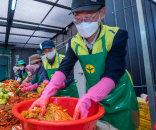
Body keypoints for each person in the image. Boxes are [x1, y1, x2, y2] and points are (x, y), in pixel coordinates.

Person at [29, 0, 139, 130]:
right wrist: (47, 92)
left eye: (89, 17)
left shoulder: (116, 36)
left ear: (101, 13)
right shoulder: (74, 43)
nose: (83, 23)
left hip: (120, 95)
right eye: (78, 19)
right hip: (95, 97)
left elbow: (112, 73)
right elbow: (64, 69)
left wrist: (89, 97)